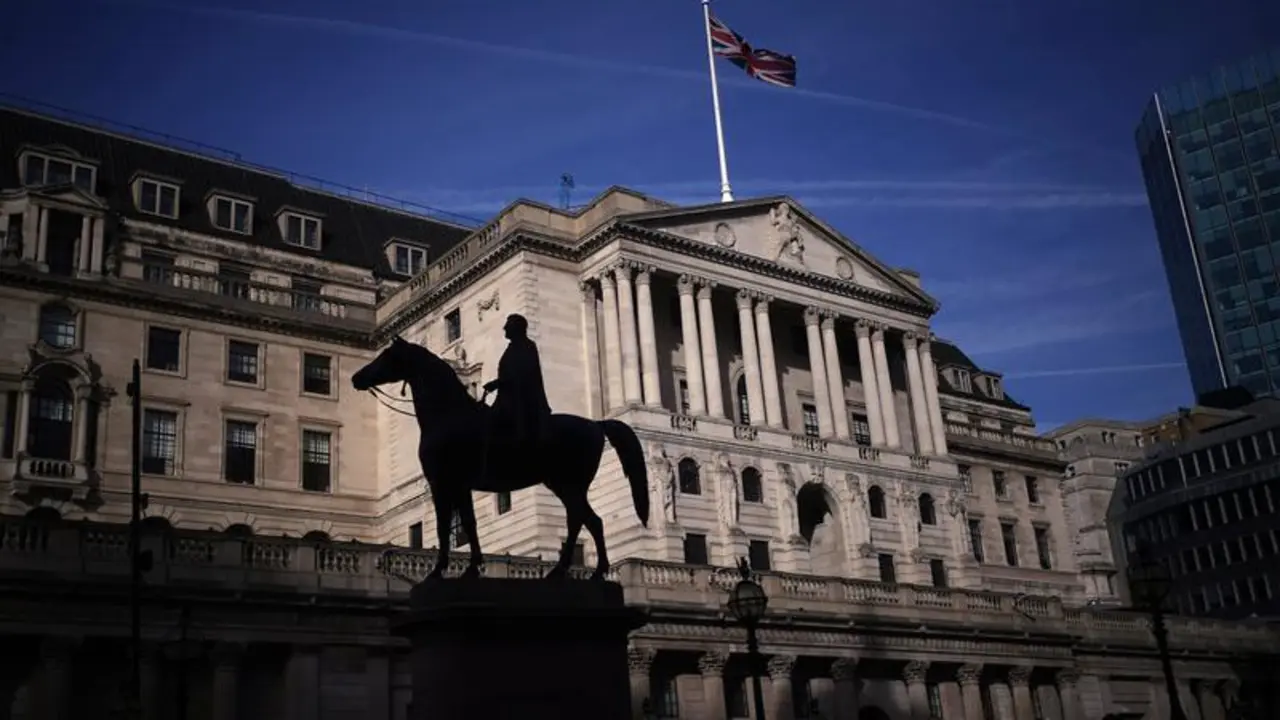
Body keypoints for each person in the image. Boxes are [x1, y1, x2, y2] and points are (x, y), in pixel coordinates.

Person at [484, 314, 552, 450]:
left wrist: (496, 383)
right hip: (507, 399)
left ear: (516, 328)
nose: (504, 328)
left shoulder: (527, 346)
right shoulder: (513, 347)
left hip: (520, 401)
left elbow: (521, 375)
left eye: (508, 325)